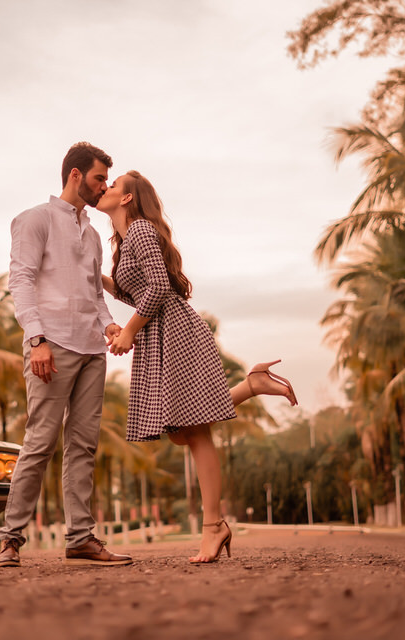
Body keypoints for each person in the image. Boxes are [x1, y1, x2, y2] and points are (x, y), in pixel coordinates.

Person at [97, 170, 298, 564]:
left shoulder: (139, 230)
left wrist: (129, 332)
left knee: (194, 430)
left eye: (113, 184)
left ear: (126, 198)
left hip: (174, 329)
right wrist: (97, 278)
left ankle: (213, 526)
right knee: (181, 432)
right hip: (162, 331)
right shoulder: (126, 240)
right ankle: (252, 385)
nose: (105, 187)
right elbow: (136, 288)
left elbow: (156, 288)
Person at [0, 142, 133, 568]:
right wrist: (35, 339)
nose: (103, 187)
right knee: (39, 442)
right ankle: (10, 540)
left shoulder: (91, 234)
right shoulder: (34, 220)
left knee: (82, 447)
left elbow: (94, 294)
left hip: (93, 349)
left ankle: (80, 538)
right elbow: (20, 279)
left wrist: (109, 323)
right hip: (51, 346)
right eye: (98, 178)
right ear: (75, 175)